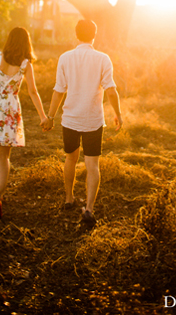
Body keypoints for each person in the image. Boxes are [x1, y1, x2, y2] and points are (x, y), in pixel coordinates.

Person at [42, 19, 122, 228]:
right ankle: (89, 209)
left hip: (70, 118)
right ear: (94, 35)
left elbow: (59, 90)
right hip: (93, 120)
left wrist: (50, 117)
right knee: (92, 164)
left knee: (70, 158)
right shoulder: (103, 59)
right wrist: (118, 115)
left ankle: (69, 199)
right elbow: (111, 90)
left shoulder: (65, 58)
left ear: (76, 35)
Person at [0, 27, 48, 219]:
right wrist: (43, 116)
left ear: (9, 40)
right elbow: (33, 92)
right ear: (26, 43)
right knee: (4, 157)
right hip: (9, 110)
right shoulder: (26, 64)